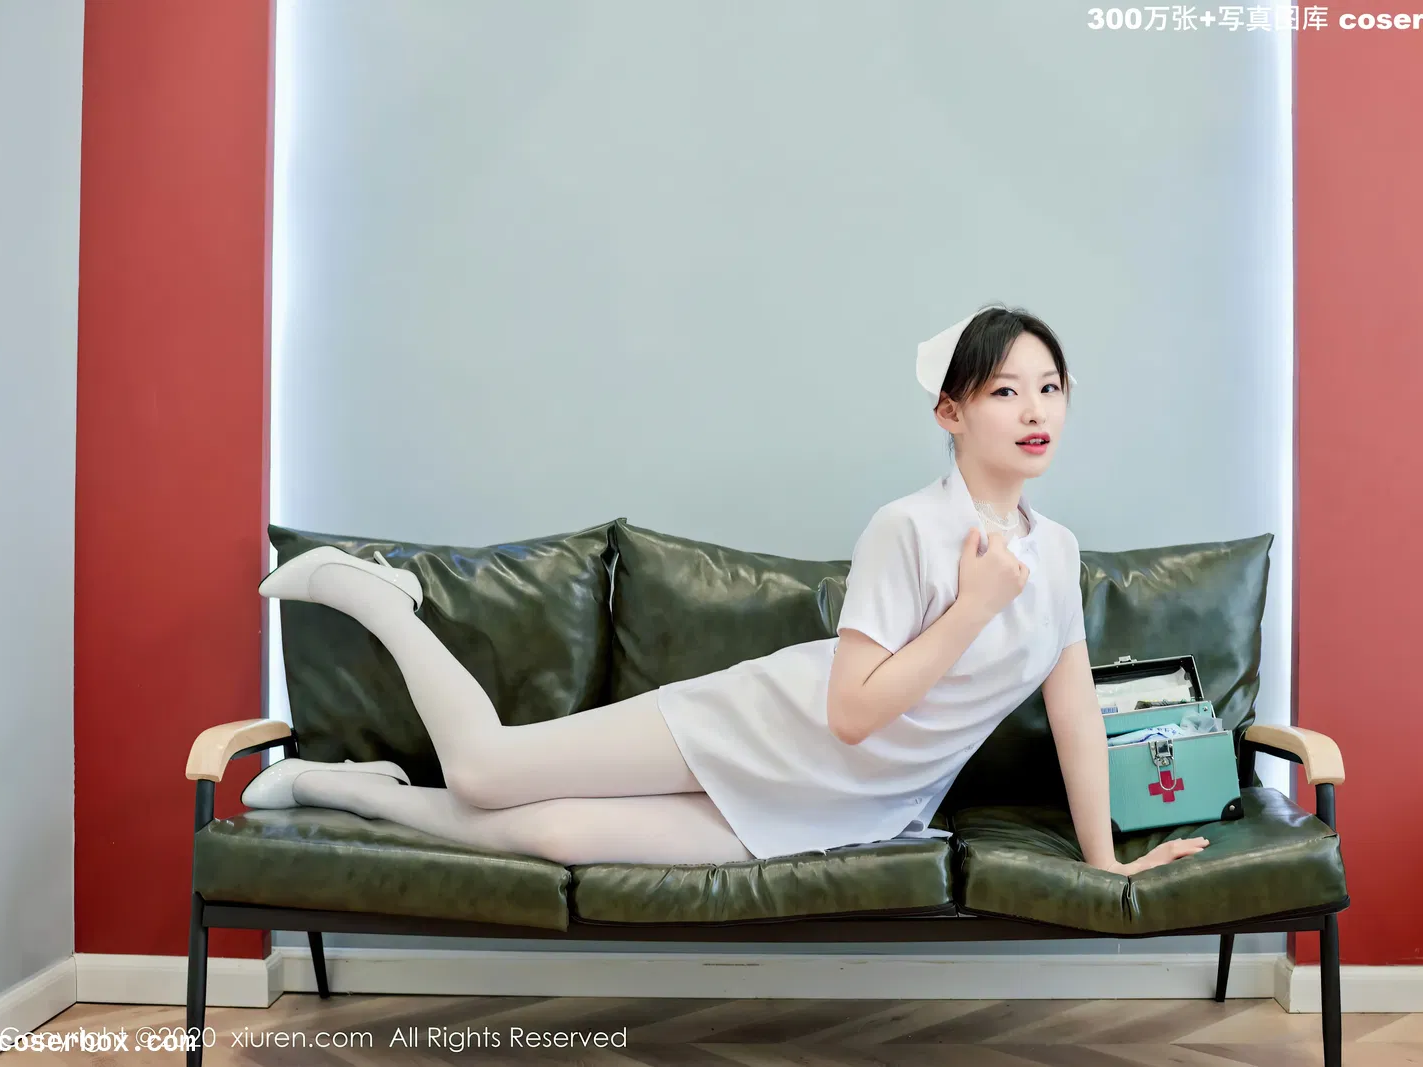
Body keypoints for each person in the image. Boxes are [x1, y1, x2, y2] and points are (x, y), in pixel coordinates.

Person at [243, 305, 1209, 875]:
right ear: (950, 414)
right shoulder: (908, 528)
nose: (1036, 409)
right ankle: (380, 599)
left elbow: (1074, 712)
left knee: (556, 835)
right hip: (768, 725)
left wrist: (1105, 864)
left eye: (1050, 386)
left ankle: (347, 789)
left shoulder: (1057, 552)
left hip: (849, 805)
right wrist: (971, 610)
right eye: (1004, 390)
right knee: (486, 773)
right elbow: (851, 710)